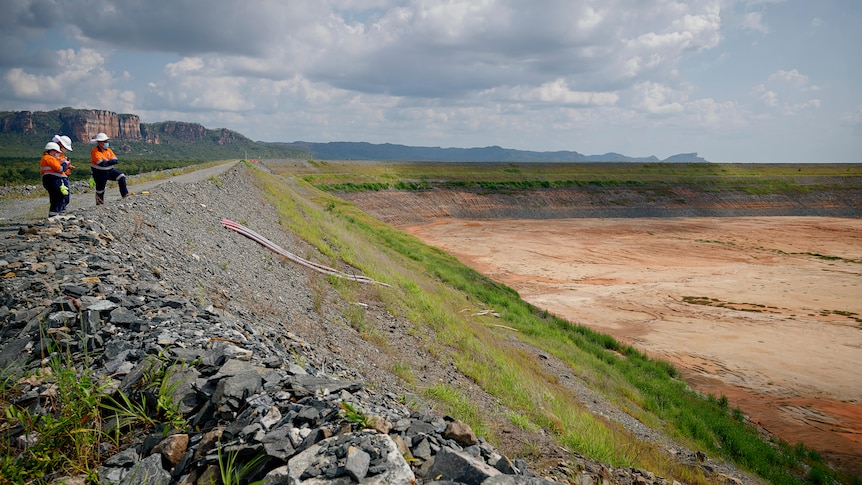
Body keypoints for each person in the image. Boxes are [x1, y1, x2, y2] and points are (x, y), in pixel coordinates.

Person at [89, 132, 128, 204]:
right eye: (105, 141)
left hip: (110, 171)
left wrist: (107, 161)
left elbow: (116, 161)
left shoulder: (109, 150)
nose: (107, 143)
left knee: (121, 177)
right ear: (100, 143)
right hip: (99, 173)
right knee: (100, 189)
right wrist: (110, 161)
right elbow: (102, 164)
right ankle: (99, 204)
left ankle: (125, 195)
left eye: (107, 141)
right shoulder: (95, 152)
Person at [40, 141, 68, 219]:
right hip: (52, 180)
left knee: (56, 198)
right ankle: (54, 217)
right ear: (51, 151)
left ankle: (54, 216)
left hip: (51, 180)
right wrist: (65, 163)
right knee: (57, 197)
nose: (57, 153)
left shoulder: (48, 158)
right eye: (56, 151)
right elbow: (60, 169)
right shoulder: (48, 158)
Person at [52, 134, 75, 211]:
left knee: (65, 196)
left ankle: (61, 210)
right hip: (58, 177)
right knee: (62, 196)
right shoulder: (54, 154)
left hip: (64, 176)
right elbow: (58, 166)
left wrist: (69, 166)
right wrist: (65, 164)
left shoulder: (61, 155)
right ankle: (59, 212)